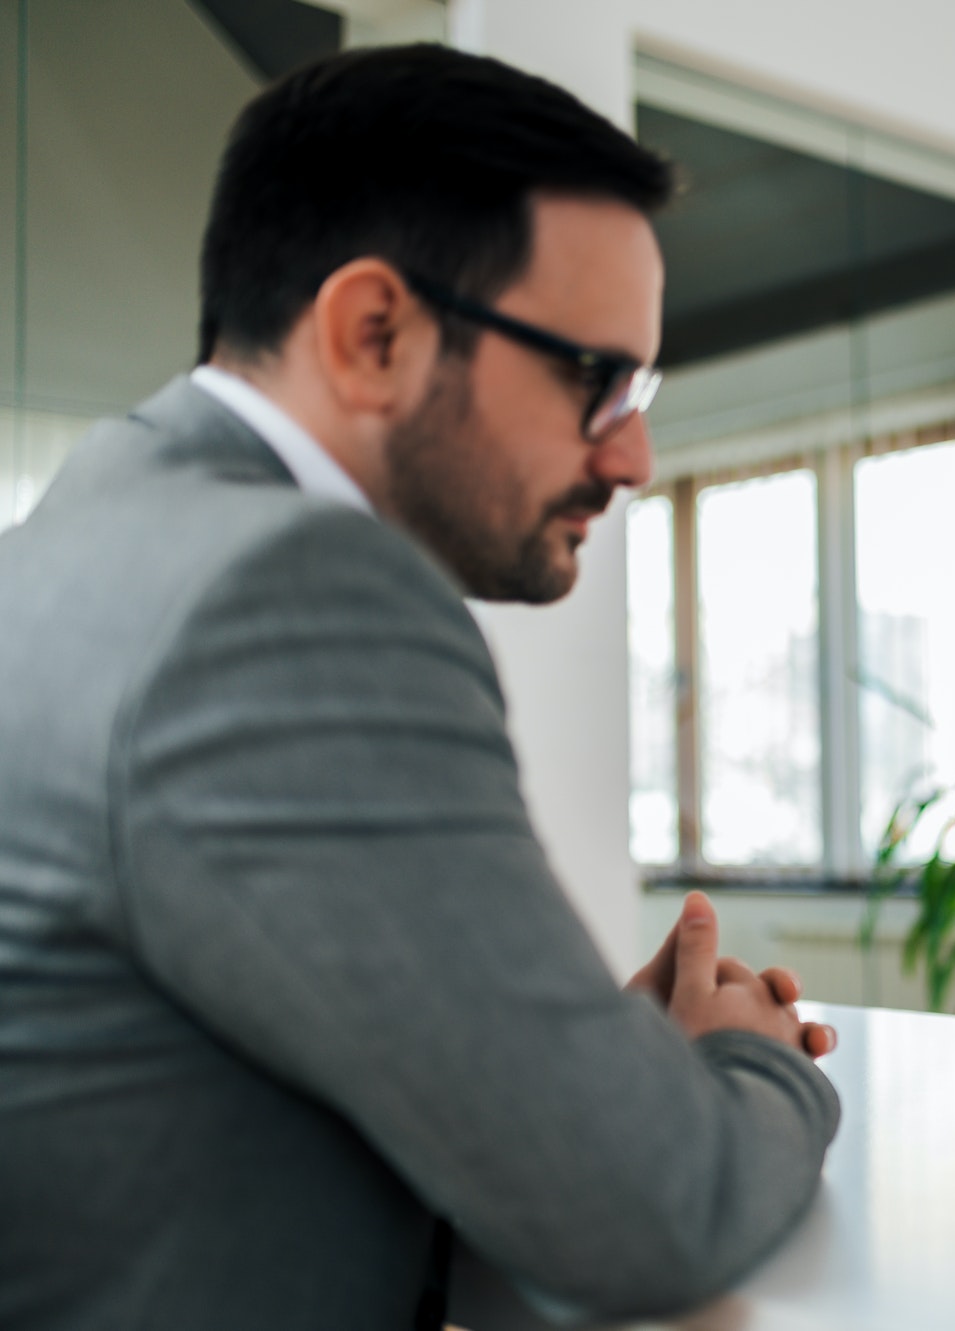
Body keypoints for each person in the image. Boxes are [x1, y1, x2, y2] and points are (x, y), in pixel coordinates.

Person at [0, 45, 839, 1330]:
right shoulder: (285, 594)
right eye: (594, 377)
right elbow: (653, 1211)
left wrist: (573, 1064)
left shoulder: (84, 534)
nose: (634, 453)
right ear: (372, 332)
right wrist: (750, 1066)